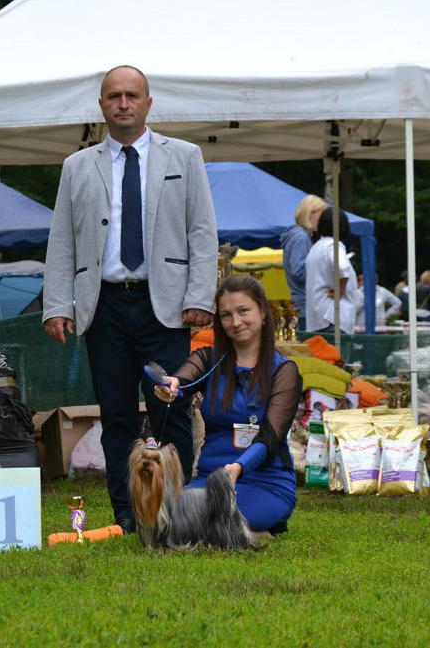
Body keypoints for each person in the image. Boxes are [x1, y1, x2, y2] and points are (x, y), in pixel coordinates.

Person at [42, 65, 218, 533]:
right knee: (115, 414)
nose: (123, 103)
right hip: (103, 306)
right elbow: (62, 240)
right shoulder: (76, 167)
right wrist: (57, 304)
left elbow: (203, 231)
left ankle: (179, 511)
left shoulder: (186, 156)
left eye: (132, 95)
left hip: (167, 306)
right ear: (101, 104)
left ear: (148, 103)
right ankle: (128, 516)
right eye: (114, 96)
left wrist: (201, 295)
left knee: (172, 408)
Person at [154, 275, 300, 533]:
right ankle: (245, 530)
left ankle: (259, 523)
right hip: (209, 481)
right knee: (169, 520)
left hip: (264, 482)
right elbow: (184, 379)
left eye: (243, 311)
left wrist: (239, 467)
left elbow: (271, 437)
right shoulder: (209, 359)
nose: (235, 322)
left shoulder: (284, 371)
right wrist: (172, 385)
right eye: (226, 315)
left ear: (263, 312)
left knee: (216, 521)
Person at [304, 207, 359, 334]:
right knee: (338, 354)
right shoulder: (333, 246)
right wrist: (340, 290)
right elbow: (343, 267)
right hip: (333, 317)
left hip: (317, 317)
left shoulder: (315, 248)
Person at [280, 194, 328, 331]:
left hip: (302, 304)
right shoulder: (300, 237)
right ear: (310, 213)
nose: (323, 219)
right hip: (304, 306)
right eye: (321, 214)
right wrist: (324, 276)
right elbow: (298, 272)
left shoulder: (299, 236)